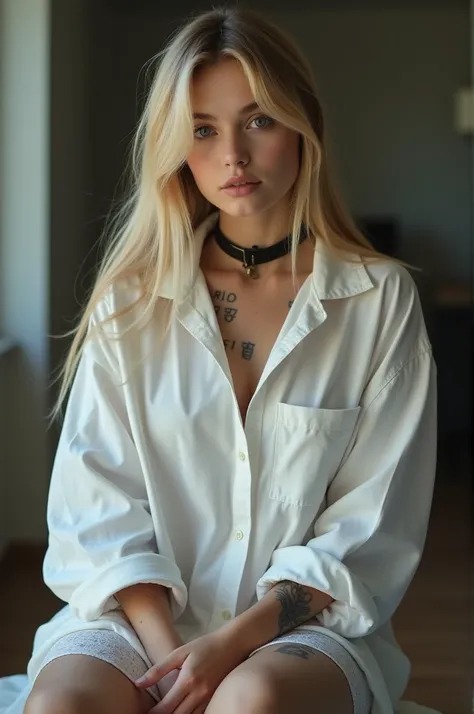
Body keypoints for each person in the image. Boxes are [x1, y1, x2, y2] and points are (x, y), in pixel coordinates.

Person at [1, 6, 438, 714]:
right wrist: (173, 655)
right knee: (63, 708)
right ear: (177, 145)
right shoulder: (133, 302)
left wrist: (230, 647)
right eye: (203, 129)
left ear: (303, 124)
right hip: (134, 619)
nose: (232, 154)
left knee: (252, 701)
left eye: (259, 119)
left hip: (299, 627)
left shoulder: (377, 301)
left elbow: (368, 526)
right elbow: (98, 509)